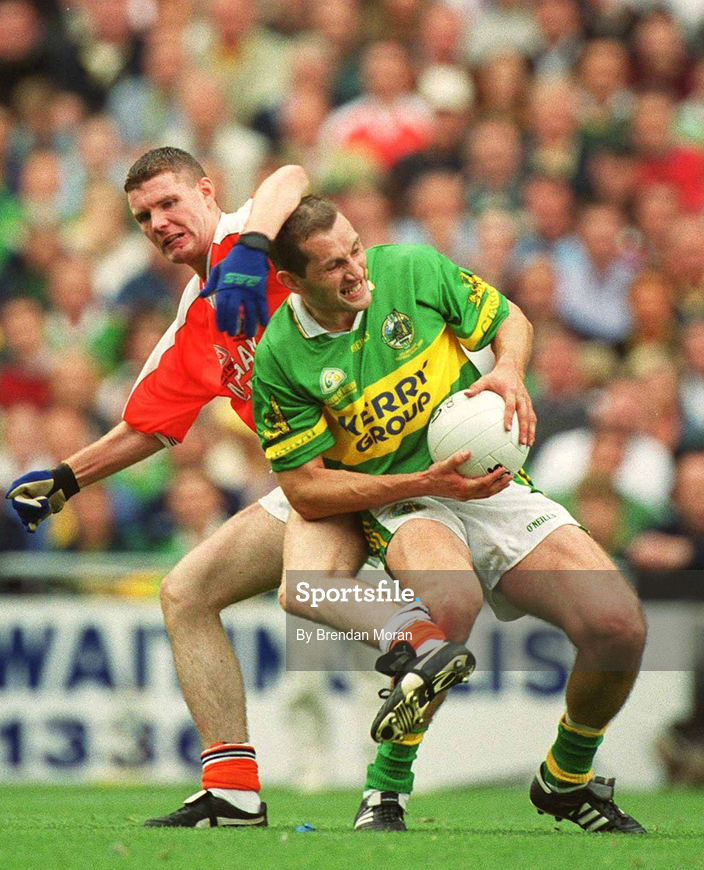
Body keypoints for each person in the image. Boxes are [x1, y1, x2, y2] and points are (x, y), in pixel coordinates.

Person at [4, 148, 481, 828]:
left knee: (312, 590)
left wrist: (253, 247)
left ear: (207, 191)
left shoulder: (248, 239)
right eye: (143, 216)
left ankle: (420, 655)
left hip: (382, 455)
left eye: (169, 203)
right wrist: (65, 479)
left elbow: (291, 177)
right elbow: (149, 424)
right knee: (186, 593)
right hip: (316, 480)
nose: (158, 223)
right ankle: (232, 788)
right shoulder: (197, 312)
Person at [253, 195, 647, 833]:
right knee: (451, 605)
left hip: (492, 484)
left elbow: (509, 318)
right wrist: (424, 481)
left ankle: (566, 778)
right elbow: (305, 489)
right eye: (333, 266)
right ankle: (386, 790)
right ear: (292, 281)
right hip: (403, 499)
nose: (356, 270)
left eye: (355, 249)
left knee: (619, 627)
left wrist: (510, 370)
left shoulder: (411, 269)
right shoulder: (279, 355)